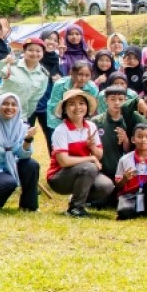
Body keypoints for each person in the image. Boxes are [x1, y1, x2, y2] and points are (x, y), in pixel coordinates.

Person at [47, 88, 114, 217]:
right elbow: (64, 161)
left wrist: (92, 147)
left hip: (84, 172)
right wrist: (90, 159)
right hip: (59, 177)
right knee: (89, 167)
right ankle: (75, 208)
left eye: (81, 103)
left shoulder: (91, 126)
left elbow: (99, 155)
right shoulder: (61, 130)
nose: (77, 107)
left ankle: (77, 198)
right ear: (65, 109)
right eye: (72, 104)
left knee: (106, 185)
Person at [0, 37, 49, 119]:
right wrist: (4, 62)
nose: (34, 53)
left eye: (38, 51)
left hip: (17, 116)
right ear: (24, 52)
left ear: (43, 53)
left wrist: (24, 117)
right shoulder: (12, 65)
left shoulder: (43, 75)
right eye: (30, 50)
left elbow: (33, 100)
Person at [93, 85, 143, 180]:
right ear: (105, 100)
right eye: (112, 99)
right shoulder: (96, 122)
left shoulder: (130, 120)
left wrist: (125, 139)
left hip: (124, 172)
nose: (117, 103)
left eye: (120, 99)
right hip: (101, 169)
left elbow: (129, 150)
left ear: (126, 100)